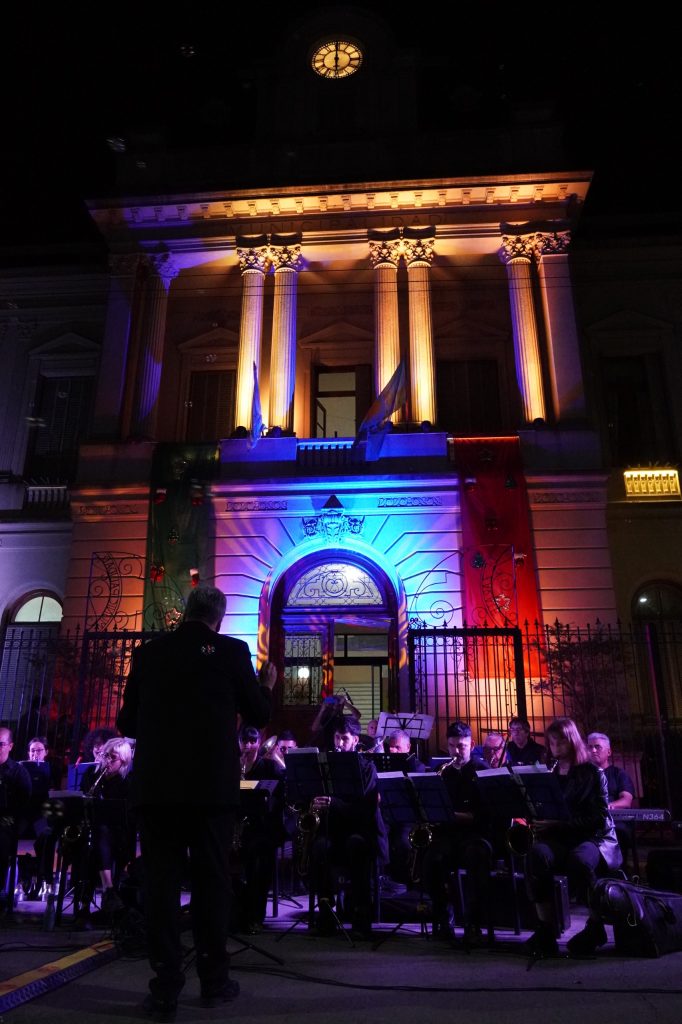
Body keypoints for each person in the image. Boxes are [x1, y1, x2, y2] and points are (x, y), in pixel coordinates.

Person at [116, 585, 276, 1020]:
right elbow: (260, 714)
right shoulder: (230, 652)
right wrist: (265, 685)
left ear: (186, 611)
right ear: (218, 619)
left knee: (161, 887)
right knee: (211, 883)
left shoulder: (149, 654)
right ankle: (213, 980)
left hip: (158, 789)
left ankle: (165, 988)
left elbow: (126, 721)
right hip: (210, 790)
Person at [523, 717, 622, 958]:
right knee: (537, 855)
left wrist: (558, 824)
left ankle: (595, 926)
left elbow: (599, 818)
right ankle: (546, 929)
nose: (555, 747)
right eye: (552, 742)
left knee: (579, 860)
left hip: (592, 838)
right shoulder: (550, 774)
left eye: (560, 741)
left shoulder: (592, 773)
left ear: (572, 741)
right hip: (561, 837)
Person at [308, 716, 388, 939]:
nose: (339, 743)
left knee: (356, 845)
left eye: (344, 739)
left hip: (362, 831)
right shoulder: (325, 767)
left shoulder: (367, 768)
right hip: (334, 830)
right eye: (337, 738)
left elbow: (365, 810)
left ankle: (361, 917)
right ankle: (326, 914)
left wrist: (333, 803)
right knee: (319, 847)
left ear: (355, 740)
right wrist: (314, 802)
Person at [421, 721, 492, 946]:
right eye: (452, 746)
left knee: (476, 857)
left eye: (461, 746)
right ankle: (444, 918)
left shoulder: (483, 771)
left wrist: (457, 815)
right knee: (431, 860)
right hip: (449, 834)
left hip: (477, 835)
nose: (456, 751)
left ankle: (474, 924)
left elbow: (488, 815)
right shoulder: (443, 772)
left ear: (472, 744)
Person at [71, 736, 136, 925]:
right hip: (91, 833)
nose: (107, 760)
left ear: (123, 760)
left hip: (118, 836)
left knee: (99, 837)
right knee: (92, 842)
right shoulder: (91, 774)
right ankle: (108, 892)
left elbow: (128, 818)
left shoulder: (127, 782)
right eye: (105, 755)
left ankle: (85, 906)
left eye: (112, 757)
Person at [588, 731, 635, 867]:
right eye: (590, 747)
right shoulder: (583, 775)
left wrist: (607, 806)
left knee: (619, 833)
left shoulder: (619, 774)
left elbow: (626, 800)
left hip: (614, 823)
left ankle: (617, 871)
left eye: (597, 747)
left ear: (609, 752)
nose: (593, 750)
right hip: (589, 822)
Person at [0, 727, 32, 905]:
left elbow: (24, 805)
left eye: (1, 744)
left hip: (9, 820)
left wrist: (8, 817)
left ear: (10, 746)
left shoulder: (19, 772)